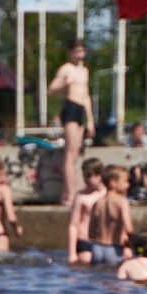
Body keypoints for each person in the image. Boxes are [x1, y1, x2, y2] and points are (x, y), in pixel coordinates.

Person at [48, 37, 95, 205]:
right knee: (70, 153)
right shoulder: (65, 69)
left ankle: (68, 193)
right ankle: (69, 195)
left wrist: (90, 120)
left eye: (82, 51)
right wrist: (63, 83)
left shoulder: (84, 71)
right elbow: (50, 90)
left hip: (80, 109)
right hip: (71, 108)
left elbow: (86, 96)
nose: (80, 54)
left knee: (75, 155)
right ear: (70, 52)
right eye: (76, 51)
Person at [88, 164, 134, 265]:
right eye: (125, 181)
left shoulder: (97, 203)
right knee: (113, 274)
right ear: (113, 183)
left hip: (97, 248)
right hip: (113, 248)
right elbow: (129, 229)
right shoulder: (122, 202)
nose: (128, 185)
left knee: (96, 274)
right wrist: (129, 245)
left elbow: (91, 232)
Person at [67, 157, 106, 264]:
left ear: (99, 176)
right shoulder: (81, 196)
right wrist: (72, 253)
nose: (86, 180)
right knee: (86, 261)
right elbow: (73, 225)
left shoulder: (107, 194)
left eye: (90, 176)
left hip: (103, 241)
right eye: (84, 176)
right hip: (84, 240)